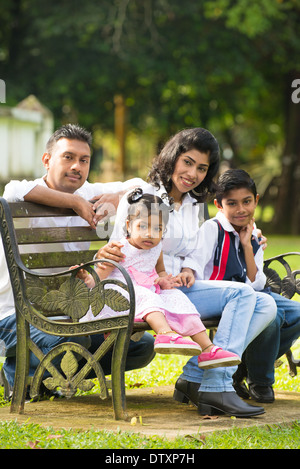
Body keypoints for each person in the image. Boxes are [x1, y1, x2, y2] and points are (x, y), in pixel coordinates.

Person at [94, 127, 277, 417]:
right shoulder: (143, 196)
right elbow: (122, 246)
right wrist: (104, 258)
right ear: (173, 157)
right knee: (245, 295)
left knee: (265, 303)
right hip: (150, 291)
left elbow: (192, 250)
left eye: (202, 168)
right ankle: (215, 387)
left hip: (180, 289)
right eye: (188, 162)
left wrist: (190, 269)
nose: (193, 174)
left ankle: (195, 377)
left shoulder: (194, 204)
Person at [0, 124, 155, 398]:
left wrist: (119, 197)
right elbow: (12, 189)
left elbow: (145, 187)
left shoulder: (89, 191)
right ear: (47, 160)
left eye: (84, 160)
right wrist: (74, 203)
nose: (77, 166)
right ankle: (23, 373)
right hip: (13, 312)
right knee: (73, 338)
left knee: (141, 346)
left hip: (67, 311)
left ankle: (42, 370)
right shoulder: (29, 194)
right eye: (68, 157)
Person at [76, 189, 241, 367]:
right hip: (118, 295)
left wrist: (164, 280)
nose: (150, 234)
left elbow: (160, 272)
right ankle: (165, 334)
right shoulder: (119, 248)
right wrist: (86, 277)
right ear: (129, 225)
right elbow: (97, 280)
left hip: (146, 294)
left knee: (178, 297)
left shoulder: (156, 248)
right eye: (143, 226)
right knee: (147, 295)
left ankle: (208, 349)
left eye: (158, 228)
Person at [197, 168, 300, 403]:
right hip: (221, 296)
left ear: (256, 200)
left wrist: (247, 246)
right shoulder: (212, 230)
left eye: (247, 201)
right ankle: (261, 381)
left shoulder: (253, 233)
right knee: (272, 316)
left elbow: (256, 282)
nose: (241, 209)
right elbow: (199, 272)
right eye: (232, 203)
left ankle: (242, 367)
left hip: (252, 293)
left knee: (296, 313)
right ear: (219, 205)